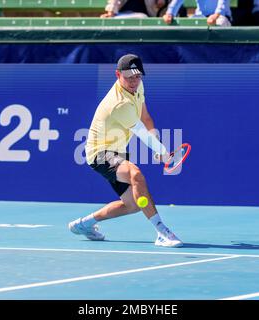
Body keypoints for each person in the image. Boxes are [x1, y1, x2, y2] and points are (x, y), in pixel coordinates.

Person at [68, 54, 183, 248]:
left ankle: (84, 224)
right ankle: (162, 231)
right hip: (100, 153)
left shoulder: (138, 87)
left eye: (137, 77)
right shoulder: (119, 103)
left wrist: (157, 143)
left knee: (132, 204)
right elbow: (140, 131)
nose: (133, 81)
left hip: (118, 151)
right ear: (117, 75)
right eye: (128, 77)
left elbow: (145, 117)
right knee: (135, 174)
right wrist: (162, 151)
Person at [163, 0, 232, 26]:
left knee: (221, 23)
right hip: (200, 17)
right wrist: (169, 13)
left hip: (221, 17)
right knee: (187, 26)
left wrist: (216, 15)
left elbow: (223, 2)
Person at [101, 0, 186, 19]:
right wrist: (111, 11)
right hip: (131, 13)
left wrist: (169, 12)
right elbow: (114, 3)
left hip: (161, 15)